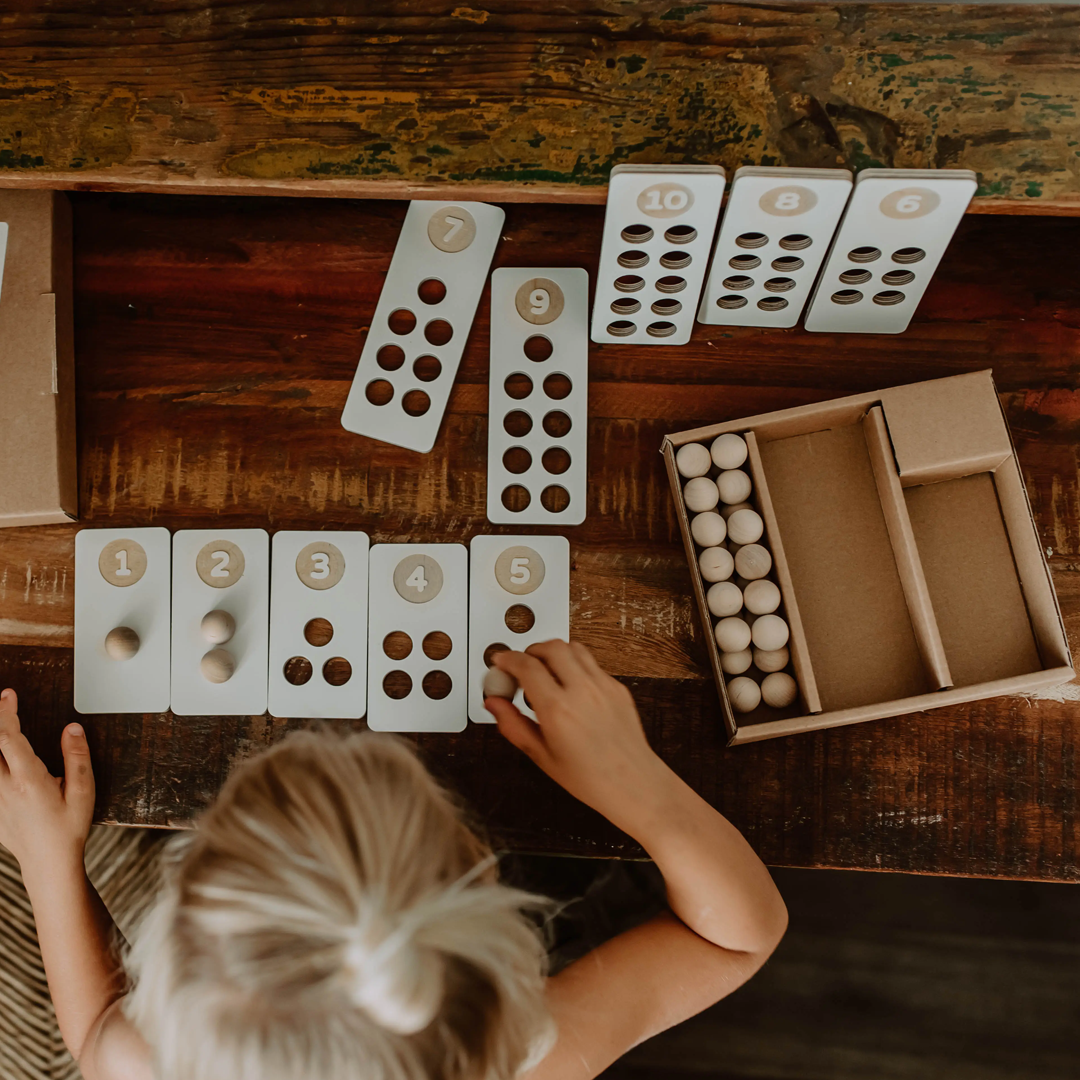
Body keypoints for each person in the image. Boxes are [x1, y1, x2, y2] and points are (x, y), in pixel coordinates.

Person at [0, 640, 787, 1080]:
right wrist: (638, 784)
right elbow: (736, 937)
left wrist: (45, 857)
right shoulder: (526, 1063)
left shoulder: (161, 1068)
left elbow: (98, 1025)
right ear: (486, 878)